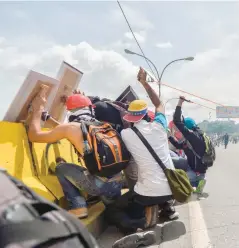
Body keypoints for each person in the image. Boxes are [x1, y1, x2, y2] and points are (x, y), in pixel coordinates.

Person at [28, 87, 123, 219]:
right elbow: (67, 131)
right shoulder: (102, 126)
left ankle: (78, 208)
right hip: (117, 185)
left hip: (101, 186)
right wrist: (48, 118)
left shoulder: (71, 128)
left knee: (61, 168)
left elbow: (34, 136)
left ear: (71, 112)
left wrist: (37, 110)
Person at [119, 68, 179, 228]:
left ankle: (138, 225)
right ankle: (167, 208)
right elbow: (159, 103)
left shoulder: (126, 134)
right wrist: (144, 83)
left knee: (113, 209)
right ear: (147, 115)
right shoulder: (160, 127)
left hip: (146, 194)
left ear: (130, 117)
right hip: (172, 189)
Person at [168, 96, 208, 194]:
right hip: (197, 169)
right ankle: (198, 181)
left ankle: (194, 183)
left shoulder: (192, 136)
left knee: (175, 180)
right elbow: (178, 146)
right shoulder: (199, 136)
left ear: (187, 127)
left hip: (194, 172)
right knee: (170, 154)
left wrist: (180, 102)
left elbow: (176, 120)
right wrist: (169, 136)